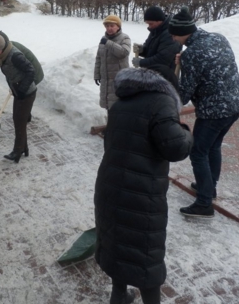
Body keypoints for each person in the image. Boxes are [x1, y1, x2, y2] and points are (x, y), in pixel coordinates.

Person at [94, 66, 193, 304]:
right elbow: (176, 147)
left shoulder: (120, 104)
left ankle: (118, 295)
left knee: (117, 241)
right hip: (141, 191)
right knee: (145, 251)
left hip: (110, 184)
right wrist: (186, 131)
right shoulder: (162, 102)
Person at [170, 6, 239, 218]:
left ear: (183, 32)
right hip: (235, 104)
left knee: (198, 151)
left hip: (214, 111)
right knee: (213, 146)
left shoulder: (191, 53)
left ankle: (204, 204)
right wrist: (185, 62)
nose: (173, 38)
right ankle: (209, 188)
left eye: (174, 34)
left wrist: (181, 70)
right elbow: (213, 66)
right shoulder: (218, 38)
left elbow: (184, 94)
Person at [0, 34, 36, 163]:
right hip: (19, 91)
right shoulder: (2, 54)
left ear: (2, 47)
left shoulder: (15, 56)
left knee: (19, 122)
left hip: (26, 93)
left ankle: (18, 150)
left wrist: (22, 89)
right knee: (18, 120)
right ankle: (23, 147)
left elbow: (30, 71)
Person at [94, 15, 131, 112]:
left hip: (118, 78)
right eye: (107, 26)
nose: (109, 28)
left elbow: (124, 53)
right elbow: (99, 58)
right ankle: (110, 124)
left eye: (112, 26)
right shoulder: (104, 39)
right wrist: (97, 74)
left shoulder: (125, 38)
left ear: (118, 26)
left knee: (118, 105)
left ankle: (118, 125)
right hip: (106, 79)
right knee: (108, 104)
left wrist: (108, 43)